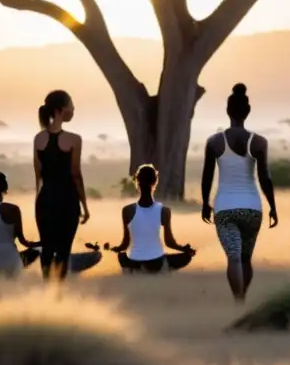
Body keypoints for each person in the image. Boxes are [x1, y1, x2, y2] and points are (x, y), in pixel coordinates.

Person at [201, 83, 277, 302]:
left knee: (233, 259)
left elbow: (207, 176)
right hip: (252, 208)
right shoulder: (259, 142)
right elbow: (265, 178)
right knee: (245, 259)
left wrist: (205, 203)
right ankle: (242, 297)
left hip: (224, 208)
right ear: (248, 112)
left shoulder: (214, 142)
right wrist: (272, 206)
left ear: (227, 111)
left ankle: (238, 301)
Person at [33, 90, 91, 281]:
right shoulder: (74, 139)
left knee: (47, 249)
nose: (73, 109)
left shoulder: (38, 139)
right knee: (64, 250)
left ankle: (46, 290)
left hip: (45, 200)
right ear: (61, 109)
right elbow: (76, 174)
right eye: (71, 105)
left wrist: (39, 202)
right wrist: (84, 205)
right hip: (67, 200)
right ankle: (57, 293)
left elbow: (38, 176)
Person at [105, 164, 196, 274]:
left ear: (137, 182)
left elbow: (125, 244)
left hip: (134, 261)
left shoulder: (127, 210)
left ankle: (138, 267)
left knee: (122, 256)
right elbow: (169, 242)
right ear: (155, 182)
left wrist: (113, 249)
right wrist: (184, 249)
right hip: (156, 262)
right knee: (185, 257)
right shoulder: (164, 211)